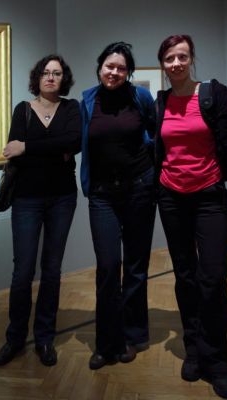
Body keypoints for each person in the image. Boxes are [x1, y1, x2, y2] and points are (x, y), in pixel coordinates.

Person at [154, 34, 227, 399]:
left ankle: (216, 361)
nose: (176, 63)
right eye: (169, 58)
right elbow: (155, 149)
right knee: (185, 276)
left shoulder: (213, 94)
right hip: (171, 197)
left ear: (191, 58)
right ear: (163, 64)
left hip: (209, 196)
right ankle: (193, 350)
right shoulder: (160, 102)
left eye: (182, 56)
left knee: (212, 277)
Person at [0, 54, 81, 367]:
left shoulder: (71, 108)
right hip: (27, 200)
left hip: (62, 199)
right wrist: (57, 150)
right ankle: (15, 338)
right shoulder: (23, 110)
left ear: (63, 78)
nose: (51, 77)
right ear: (38, 77)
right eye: (46, 72)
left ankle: (44, 337)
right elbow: (12, 149)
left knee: (52, 270)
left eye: (57, 73)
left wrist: (29, 147)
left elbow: (75, 141)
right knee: (23, 272)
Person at [80, 42, 156, 370]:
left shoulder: (141, 98)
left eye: (121, 68)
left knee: (136, 266)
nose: (114, 72)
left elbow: (157, 132)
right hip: (102, 195)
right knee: (108, 266)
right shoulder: (87, 100)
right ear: (100, 67)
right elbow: (76, 138)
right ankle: (106, 342)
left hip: (140, 189)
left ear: (129, 72)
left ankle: (132, 335)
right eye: (109, 66)